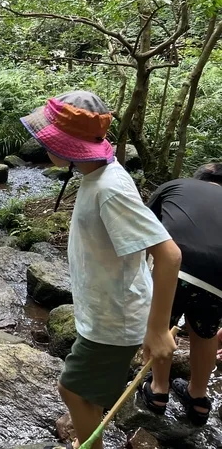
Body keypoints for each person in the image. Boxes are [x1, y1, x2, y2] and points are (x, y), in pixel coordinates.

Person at [20, 91, 181, 449]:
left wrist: (156, 330)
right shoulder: (96, 175)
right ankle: (91, 438)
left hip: (115, 319)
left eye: (47, 138)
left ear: (69, 145)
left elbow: (168, 254)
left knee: (71, 388)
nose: (41, 143)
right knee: (87, 392)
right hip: (105, 308)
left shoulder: (109, 189)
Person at [141, 163, 222, 426]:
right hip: (218, 278)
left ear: (198, 177)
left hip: (175, 266)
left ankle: (159, 390)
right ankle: (198, 399)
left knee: (161, 324)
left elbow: (143, 229)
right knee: (205, 331)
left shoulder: (175, 186)